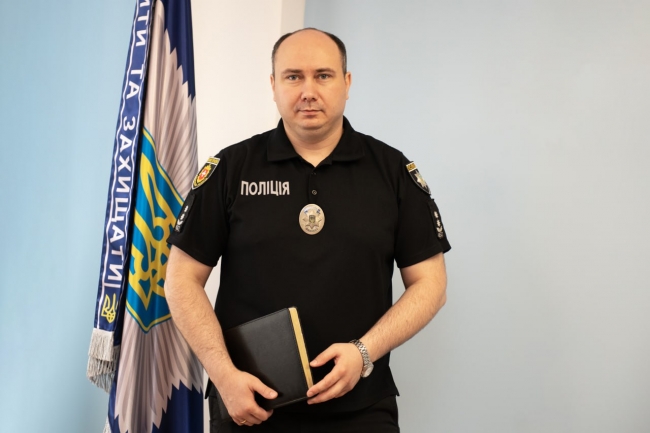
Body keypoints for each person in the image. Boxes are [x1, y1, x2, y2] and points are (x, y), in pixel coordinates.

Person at [165, 28, 451, 433]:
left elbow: (431, 283)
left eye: (323, 75)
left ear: (347, 83)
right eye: (293, 76)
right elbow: (180, 280)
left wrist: (364, 352)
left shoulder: (392, 172)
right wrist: (223, 373)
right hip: (250, 405)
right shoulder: (231, 169)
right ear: (273, 85)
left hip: (361, 409)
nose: (308, 91)